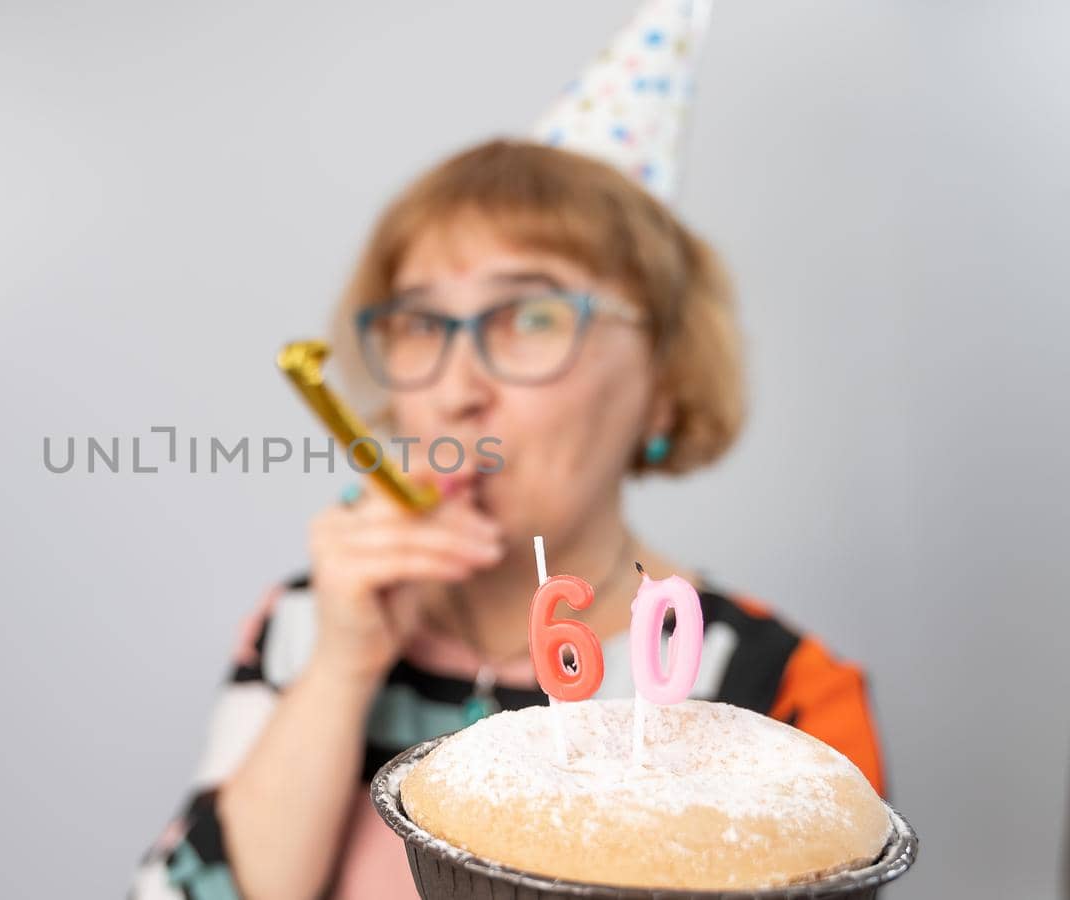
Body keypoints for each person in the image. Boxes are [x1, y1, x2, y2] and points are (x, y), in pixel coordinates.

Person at [131, 7, 883, 899]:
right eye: (419, 323)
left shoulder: (783, 692)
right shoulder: (306, 624)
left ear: (666, 379)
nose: (455, 388)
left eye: (529, 315)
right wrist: (344, 666)